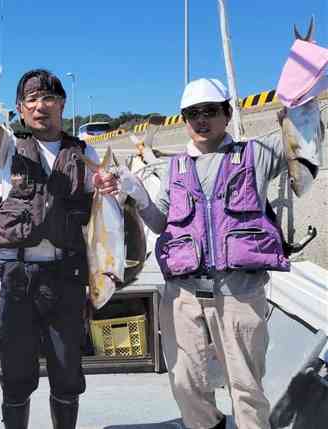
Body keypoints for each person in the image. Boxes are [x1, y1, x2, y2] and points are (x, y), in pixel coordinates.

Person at [120, 77, 320, 429]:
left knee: (246, 388)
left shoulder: (256, 154)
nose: (201, 120)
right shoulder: (174, 169)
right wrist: (138, 196)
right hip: (182, 298)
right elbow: (158, 223)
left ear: (227, 114)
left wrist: (301, 87)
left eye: (210, 111)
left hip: (240, 293)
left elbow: (301, 136)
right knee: (186, 385)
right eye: (192, 113)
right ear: (184, 119)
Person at [0, 34, 119, 429]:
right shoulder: (7, 147)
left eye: (48, 98)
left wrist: (113, 187)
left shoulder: (85, 153)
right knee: (16, 374)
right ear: (19, 109)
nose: (40, 106)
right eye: (31, 99)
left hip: (67, 276)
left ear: (62, 104)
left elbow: (105, 205)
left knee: (67, 372)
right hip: (17, 278)